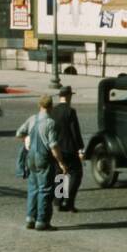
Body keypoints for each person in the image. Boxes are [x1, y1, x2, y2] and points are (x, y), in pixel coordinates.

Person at [16, 95, 68, 231]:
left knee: (33, 188)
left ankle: (30, 218)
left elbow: (19, 133)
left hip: (31, 157)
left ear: (39, 106)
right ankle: (42, 221)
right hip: (43, 157)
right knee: (45, 190)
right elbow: (54, 146)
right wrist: (61, 162)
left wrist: (26, 140)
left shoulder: (32, 119)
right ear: (51, 107)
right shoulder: (51, 123)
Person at [50, 85, 84, 213]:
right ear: (69, 96)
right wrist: (80, 149)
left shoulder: (53, 111)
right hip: (70, 148)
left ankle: (58, 201)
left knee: (59, 173)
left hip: (56, 148)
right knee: (76, 174)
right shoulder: (70, 111)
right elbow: (75, 132)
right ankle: (68, 202)